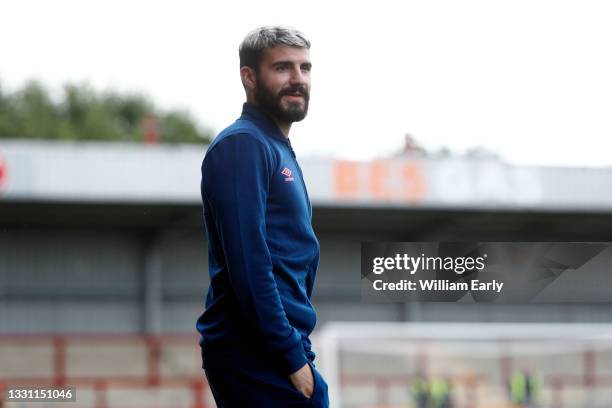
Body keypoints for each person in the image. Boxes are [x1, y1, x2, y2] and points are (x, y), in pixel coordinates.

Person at [196, 26, 328, 407]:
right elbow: (249, 263)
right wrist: (289, 355)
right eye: (283, 68)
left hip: (277, 347)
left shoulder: (275, 146)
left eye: (305, 68)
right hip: (256, 352)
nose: (297, 79)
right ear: (249, 77)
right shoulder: (243, 145)